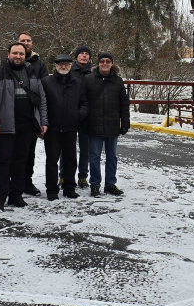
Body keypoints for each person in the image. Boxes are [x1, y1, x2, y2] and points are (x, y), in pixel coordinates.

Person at [0, 42, 48, 212]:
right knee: (4, 162)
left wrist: (43, 122)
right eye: (15, 53)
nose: (18, 56)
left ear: (25, 55)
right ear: (8, 54)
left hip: (27, 125)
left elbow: (41, 99)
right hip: (5, 124)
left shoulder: (32, 72)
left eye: (21, 53)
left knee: (21, 161)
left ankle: (16, 195)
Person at [41, 54, 87, 200]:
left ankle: (69, 187)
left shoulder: (77, 83)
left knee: (70, 159)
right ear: (55, 65)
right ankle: (52, 190)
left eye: (66, 64)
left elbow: (85, 103)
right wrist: (44, 121)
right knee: (52, 160)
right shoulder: (46, 82)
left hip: (70, 127)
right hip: (52, 127)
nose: (63, 66)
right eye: (60, 64)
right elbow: (41, 104)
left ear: (70, 65)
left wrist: (78, 115)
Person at [84, 52, 129, 197]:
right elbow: (83, 103)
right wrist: (83, 122)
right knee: (94, 156)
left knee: (112, 156)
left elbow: (124, 104)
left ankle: (110, 183)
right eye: (102, 61)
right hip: (94, 124)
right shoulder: (88, 80)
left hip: (112, 124)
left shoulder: (118, 81)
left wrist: (125, 123)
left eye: (107, 61)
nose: (104, 63)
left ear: (111, 63)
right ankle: (95, 184)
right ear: (98, 63)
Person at [16, 32, 45, 196]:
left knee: (29, 152)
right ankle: (9, 182)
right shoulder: (7, 61)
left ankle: (27, 181)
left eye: (28, 40)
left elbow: (43, 90)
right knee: (9, 153)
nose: (26, 43)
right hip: (12, 115)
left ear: (32, 43)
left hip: (30, 115)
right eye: (22, 41)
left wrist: (41, 117)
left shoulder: (39, 64)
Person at [72, 45, 94, 189]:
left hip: (88, 116)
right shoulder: (69, 71)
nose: (84, 56)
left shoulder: (94, 73)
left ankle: (83, 177)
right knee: (67, 148)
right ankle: (64, 175)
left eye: (86, 53)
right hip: (70, 114)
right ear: (77, 56)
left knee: (85, 149)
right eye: (81, 53)